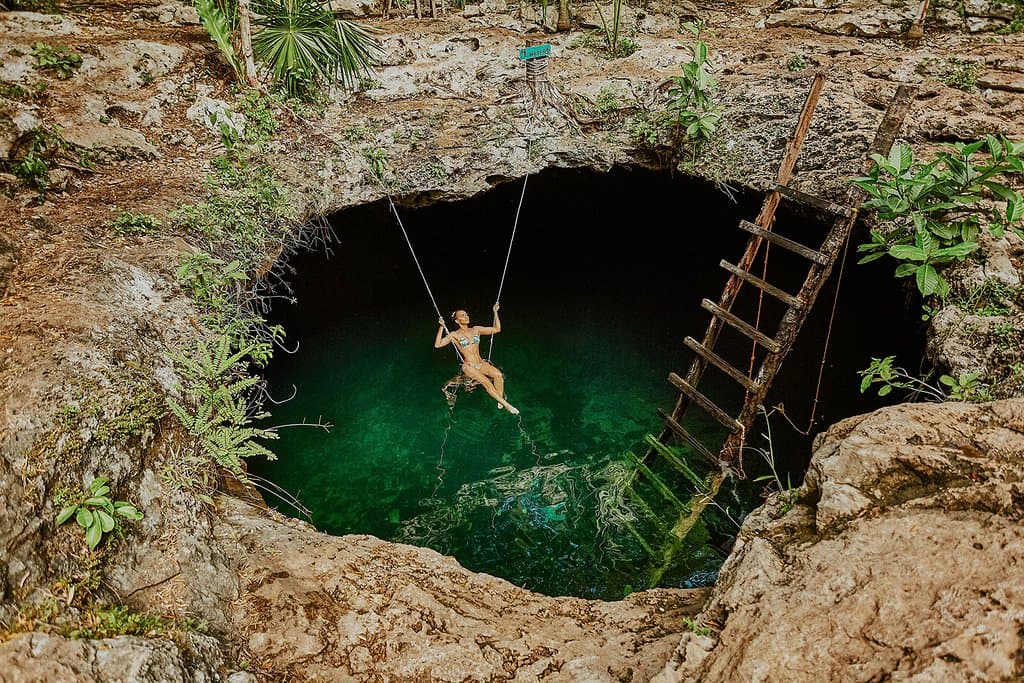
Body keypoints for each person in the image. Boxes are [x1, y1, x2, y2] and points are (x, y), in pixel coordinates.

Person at [435, 303, 519, 415]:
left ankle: (499, 400)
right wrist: (441, 326)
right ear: (457, 321)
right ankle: (507, 405)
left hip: (481, 363)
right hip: (469, 366)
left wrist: (495, 312)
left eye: (466, 314)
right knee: (486, 381)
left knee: (498, 375)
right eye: (463, 315)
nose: (466, 316)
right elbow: (438, 344)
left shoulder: (476, 329)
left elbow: (497, 329)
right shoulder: (454, 335)